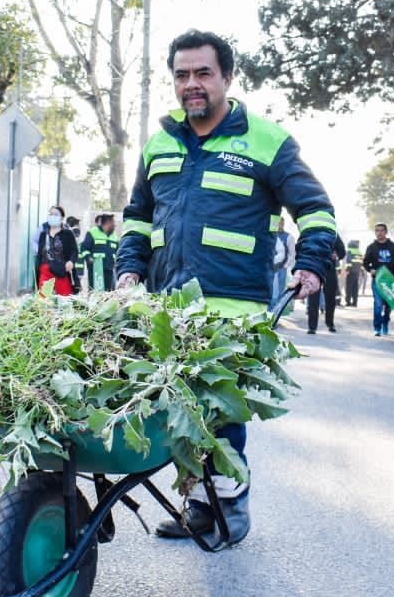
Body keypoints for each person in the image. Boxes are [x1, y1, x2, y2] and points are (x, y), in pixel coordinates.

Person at [117, 29, 335, 547]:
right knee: (178, 410)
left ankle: (229, 507)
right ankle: (199, 503)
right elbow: (136, 218)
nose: (192, 85)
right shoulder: (159, 144)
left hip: (234, 310)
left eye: (203, 74)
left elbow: (316, 209)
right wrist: (129, 269)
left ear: (227, 78)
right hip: (167, 309)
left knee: (219, 412)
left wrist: (311, 264)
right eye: (182, 75)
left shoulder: (266, 141)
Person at [362, 223, 394, 336]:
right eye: (377, 231)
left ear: (386, 232)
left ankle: (385, 322)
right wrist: (370, 270)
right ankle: (377, 327)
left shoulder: (393, 246)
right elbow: (365, 262)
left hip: (389, 280)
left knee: (388, 305)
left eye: (381, 230)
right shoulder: (371, 247)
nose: (379, 233)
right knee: (378, 304)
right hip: (377, 280)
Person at [306, 230, 347, 334]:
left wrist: (336, 255)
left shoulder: (333, 234)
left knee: (330, 299)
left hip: (329, 269)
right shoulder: (311, 231)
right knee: (313, 298)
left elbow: (342, 251)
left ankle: (330, 324)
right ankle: (312, 327)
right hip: (314, 269)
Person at [35, 205, 79, 296]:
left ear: (61, 217)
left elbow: (74, 251)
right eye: (50, 214)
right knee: (44, 300)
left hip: (62, 270)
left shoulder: (68, 233)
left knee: (65, 300)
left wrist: (71, 261)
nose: (52, 216)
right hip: (45, 270)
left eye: (55, 214)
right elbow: (40, 254)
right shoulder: (44, 234)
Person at [79, 213, 118, 292]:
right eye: (113, 222)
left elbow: (117, 251)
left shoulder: (114, 235)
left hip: (109, 269)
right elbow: (83, 248)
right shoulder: (93, 232)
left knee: (108, 293)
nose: (115, 225)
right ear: (106, 223)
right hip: (96, 269)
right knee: (94, 292)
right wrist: (88, 258)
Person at [270, 215, 295, 314]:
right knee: (272, 291)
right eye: (278, 223)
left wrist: (286, 265)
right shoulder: (271, 234)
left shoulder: (288, 237)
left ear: (283, 224)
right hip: (272, 267)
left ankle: (277, 313)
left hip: (281, 268)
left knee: (279, 292)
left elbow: (292, 254)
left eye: (281, 223)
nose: (279, 225)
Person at [343, 239, 363, 307]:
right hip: (357, 272)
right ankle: (355, 302)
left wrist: (347, 270)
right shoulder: (359, 252)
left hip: (351, 272)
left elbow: (349, 261)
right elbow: (361, 262)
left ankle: (348, 302)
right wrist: (361, 271)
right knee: (355, 288)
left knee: (348, 287)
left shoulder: (349, 251)